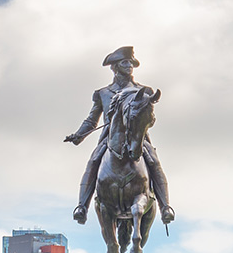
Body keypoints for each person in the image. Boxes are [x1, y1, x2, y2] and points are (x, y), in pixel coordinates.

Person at [66, 46, 175, 226]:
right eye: (125, 62)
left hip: (137, 137)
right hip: (110, 138)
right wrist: (79, 135)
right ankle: (81, 207)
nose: (129, 66)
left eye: (131, 63)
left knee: (154, 163)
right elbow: (92, 120)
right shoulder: (103, 93)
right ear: (115, 67)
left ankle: (165, 207)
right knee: (93, 162)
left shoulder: (144, 90)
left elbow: (150, 117)